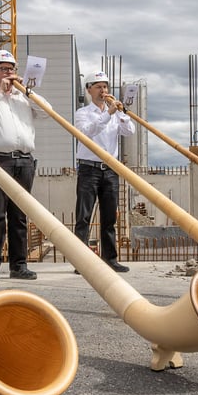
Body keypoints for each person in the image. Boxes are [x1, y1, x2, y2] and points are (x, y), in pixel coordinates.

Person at [0, 49, 46, 282]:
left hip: (23, 160)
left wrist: (29, 92)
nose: (9, 73)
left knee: (19, 215)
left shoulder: (23, 97)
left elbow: (47, 112)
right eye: (3, 69)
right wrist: (0, 94)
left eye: (12, 68)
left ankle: (18, 265)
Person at [73, 71, 135, 273]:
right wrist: (108, 114)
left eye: (106, 87)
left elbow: (130, 131)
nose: (104, 91)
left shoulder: (115, 113)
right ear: (89, 89)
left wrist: (120, 112)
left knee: (109, 218)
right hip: (89, 168)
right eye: (99, 87)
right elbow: (87, 132)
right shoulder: (82, 113)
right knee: (84, 217)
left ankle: (110, 259)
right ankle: (81, 262)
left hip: (110, 170)